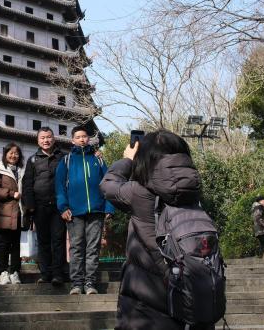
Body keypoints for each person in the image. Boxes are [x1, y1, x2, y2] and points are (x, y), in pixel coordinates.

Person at [100, 130, 207, 330]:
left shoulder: (139, 192)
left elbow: (108, 185)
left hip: (145, 307)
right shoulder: (195, 193)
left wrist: (128, 160)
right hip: (190, 297)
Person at [55, 126, 114, 296]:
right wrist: (63, 207)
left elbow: (109, 183)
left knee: (93, 247)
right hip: (74, 212)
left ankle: (90, 282)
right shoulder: (66, 161)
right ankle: (77, 283)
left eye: (84, 136)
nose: (82, 139)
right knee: (76, 247)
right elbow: (59, 187)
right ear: (72, 140)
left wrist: (109, 206)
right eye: (78, 137)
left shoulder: (98, 160)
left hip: (96, 210)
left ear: (88, 139)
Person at [22, 127, 68, 285]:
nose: (46, 140)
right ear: (38, 140)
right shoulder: (33, 160)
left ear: (54, 139)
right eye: (42, 138)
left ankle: (58, 273)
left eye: (48, 137)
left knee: (58, 240)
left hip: (58, 206)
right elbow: (27, 184)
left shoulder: (64, 157)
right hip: (40, 207)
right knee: (43, 241)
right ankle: (45, 273)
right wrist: (29, 206)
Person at [0, 142, 25, 285]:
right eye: (10, 152)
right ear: (5, 155)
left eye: (16, 153)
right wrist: (11, 193)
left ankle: (15, 272)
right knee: (3, 243)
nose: (13, 155)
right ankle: (3, 272)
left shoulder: (22, 170)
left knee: (16, 245)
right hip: (4, 212)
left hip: (18, 212)